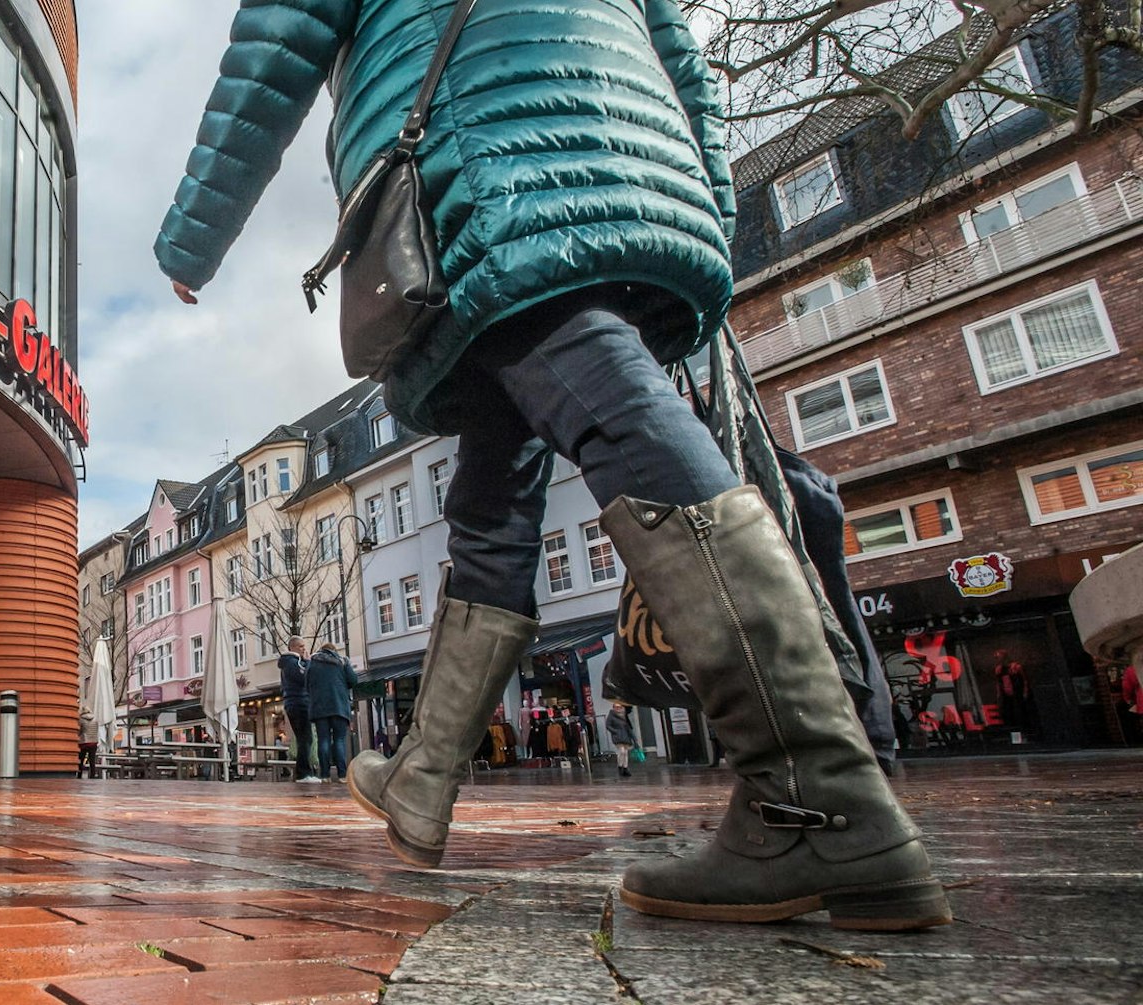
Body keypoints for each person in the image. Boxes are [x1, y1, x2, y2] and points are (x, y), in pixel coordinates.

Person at [157, 0, 946, 929]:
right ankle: (422, 776)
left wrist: (190, 237)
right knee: (491, 494)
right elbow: (686, 63)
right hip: (624, 147)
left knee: (613, 409)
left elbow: (277, 44)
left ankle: (819, 800)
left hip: (492, 157)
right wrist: (701, 205)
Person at [305, 642, 358, 782]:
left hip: (319, 708)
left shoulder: (312, 662)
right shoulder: (342, 661)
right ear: (334, 650)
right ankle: (342, 775)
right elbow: (353, 680)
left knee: (323, 740)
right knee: (339, 740)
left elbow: (307, 683)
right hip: (339, 706)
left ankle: (325, 775)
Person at [279, 637, 319, 782]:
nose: (304, 649)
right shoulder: (291, 663)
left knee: (304, 738)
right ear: (293, 648)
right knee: (305, 738)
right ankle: (304, 773)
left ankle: (303, 772)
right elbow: (303, 677)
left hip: (295, 703)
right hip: (299, 703)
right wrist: (308, 662)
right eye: (301, 646)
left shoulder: (289, 663)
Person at [605, 701, 637, 778]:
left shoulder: (624, 715)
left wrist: (633, 737)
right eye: (616, 707)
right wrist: (615, 731)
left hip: (625, 736)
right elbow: (608, 725)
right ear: (613, 708)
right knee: (621, 751)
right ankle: (620, 766)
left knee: (625, 752)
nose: (618, 709)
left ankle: (625, 768)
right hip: (617, 737)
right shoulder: (611, 715)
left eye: (619, 707)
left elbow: (628, 727)